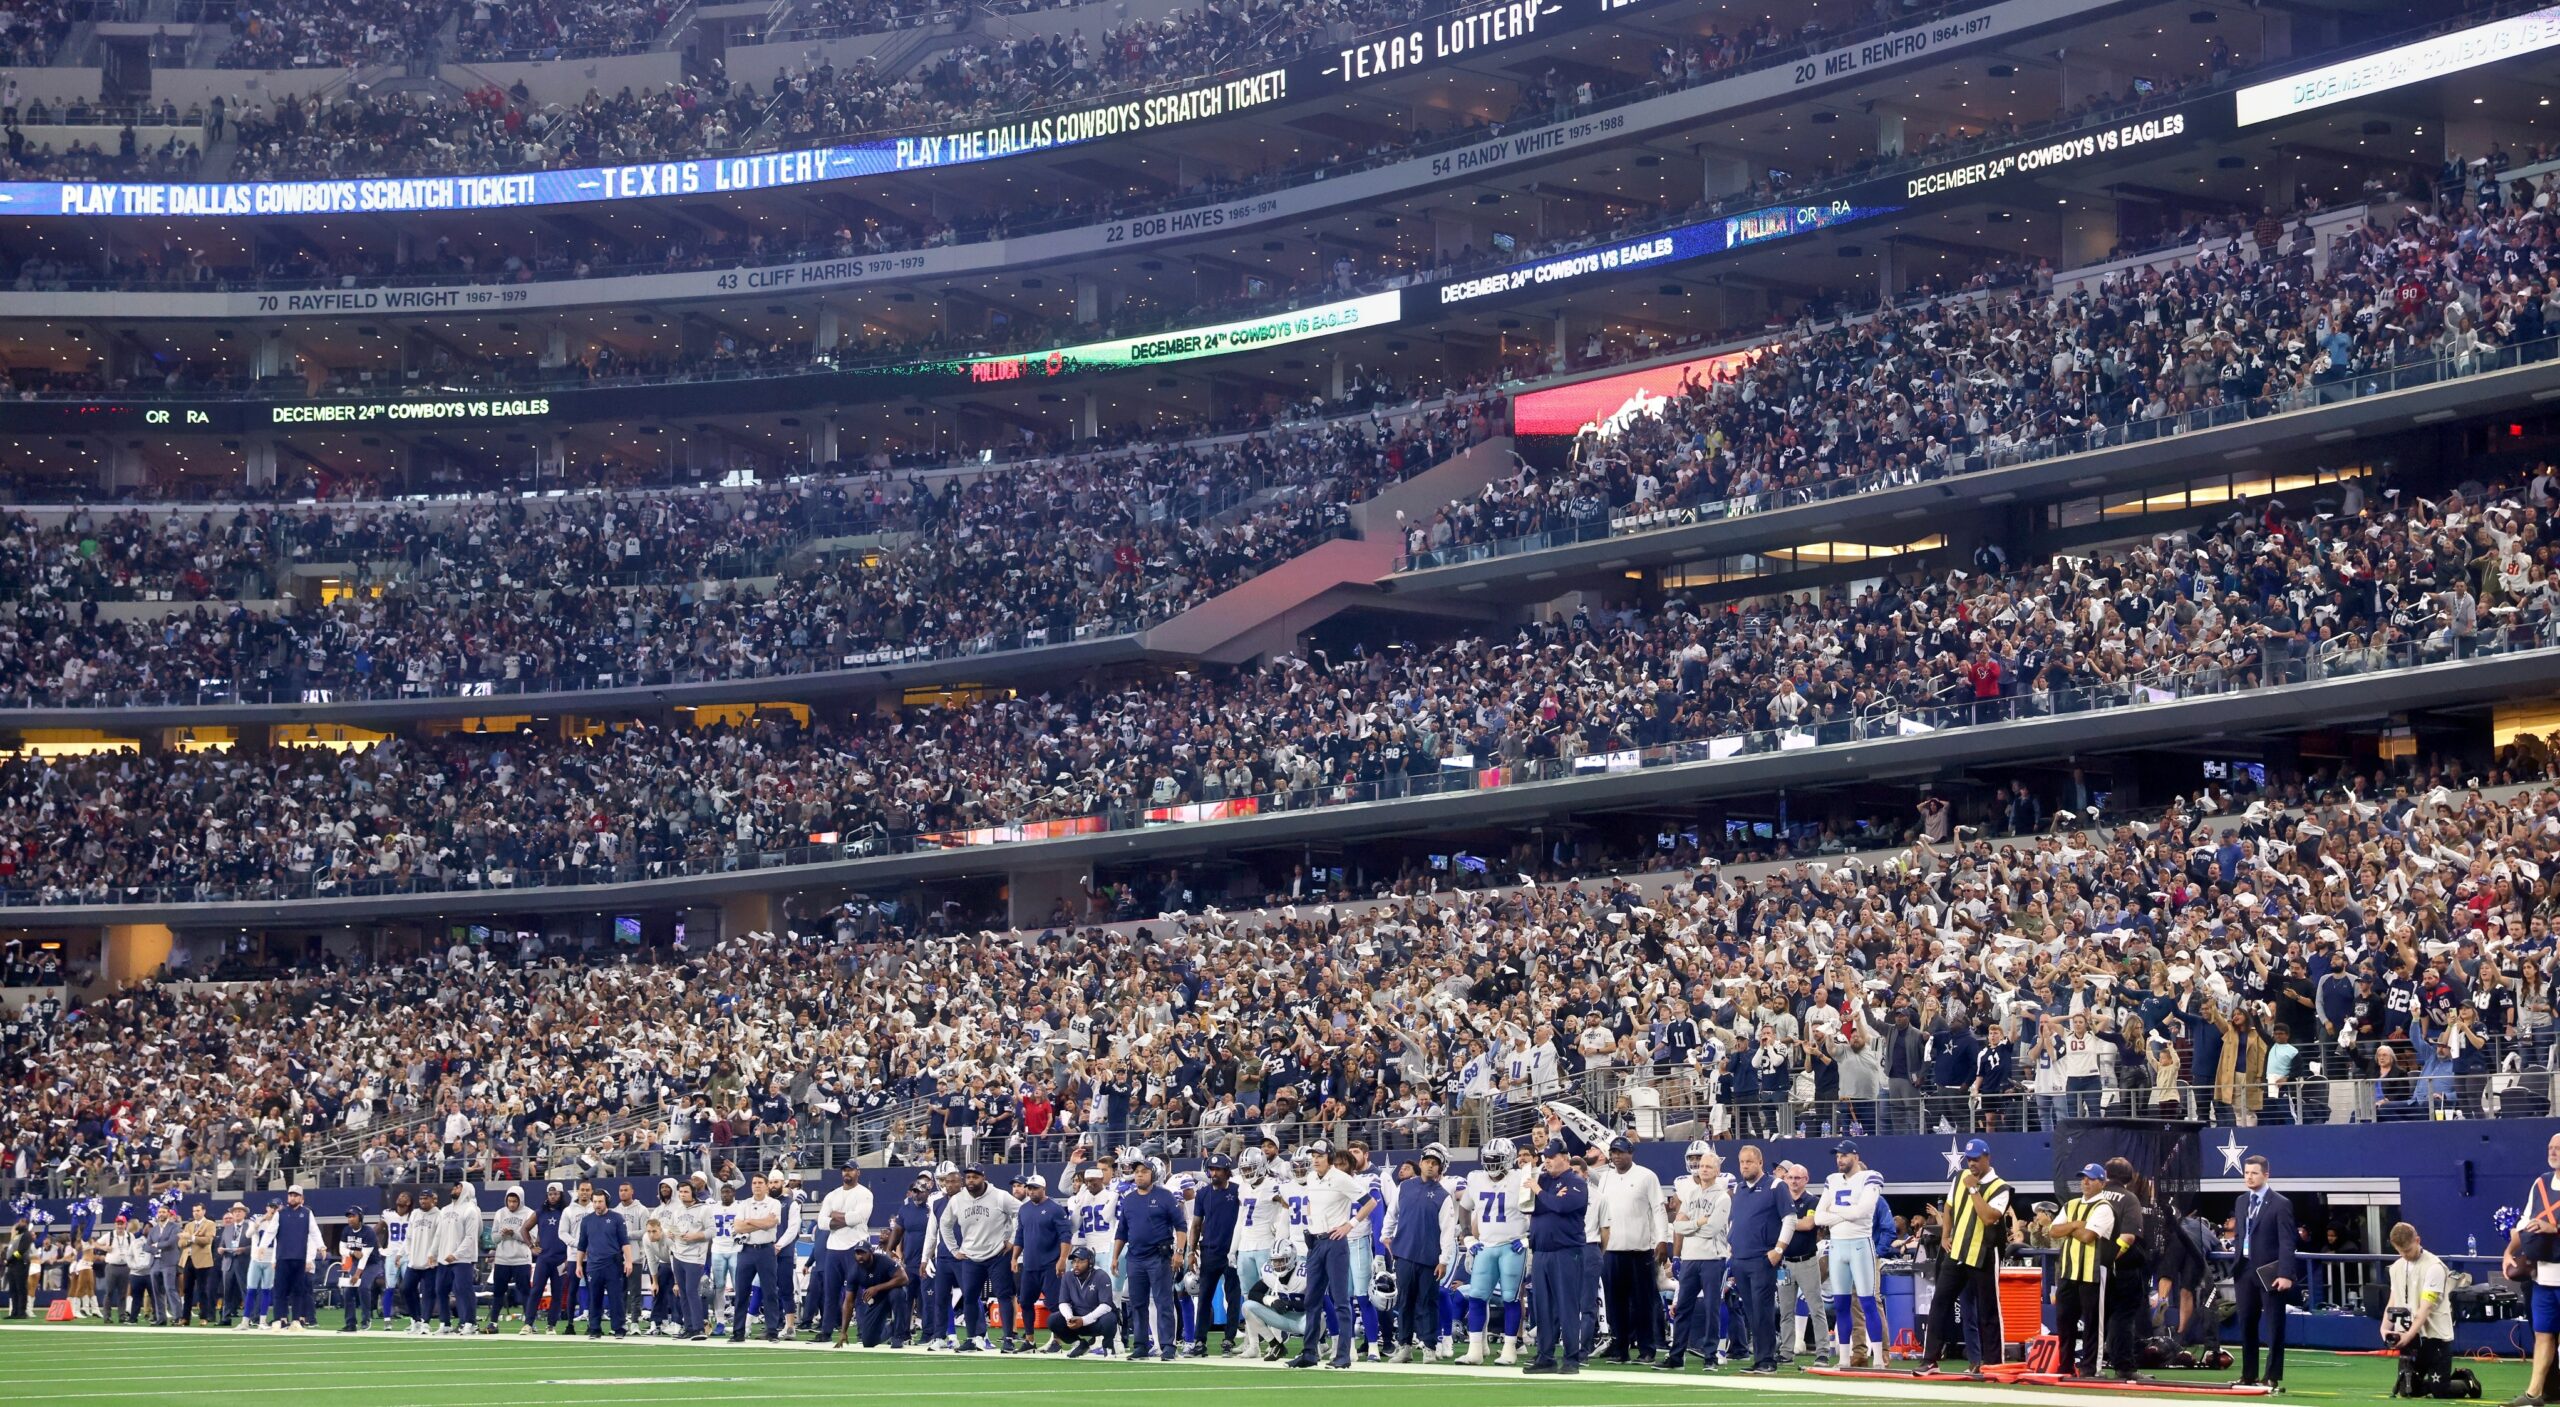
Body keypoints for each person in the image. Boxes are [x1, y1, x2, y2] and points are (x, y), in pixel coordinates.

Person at [1921, 1137, 2010, 1375]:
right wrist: (1945, 1235)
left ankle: (1992, 1363)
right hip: (1957, 1250)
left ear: (1987, 1158)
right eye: (1969, 1159)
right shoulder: (1960, 1177)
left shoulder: (2001, 1187)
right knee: (1940, 1301)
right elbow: (1949, 1206)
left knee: (1988, 1309)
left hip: (1984, 1253)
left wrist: (1973, 1189)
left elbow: (1989, 1217)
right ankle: (1930, 1359)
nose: (1972, 1164)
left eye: (1976, 1160)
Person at [1458, 1136, 1532, 1365]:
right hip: (1486, 1245)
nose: (1490, 1164)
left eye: (1496, 1159)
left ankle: (1510, 1348)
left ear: (1508, 1159)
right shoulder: (1476, 1178)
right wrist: (1467, 1235)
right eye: (1488, 1159)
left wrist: (1529, 1238)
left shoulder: (1521, 1178)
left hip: (1512, 1245)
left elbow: (1536, 1210)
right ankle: (1475, 1350)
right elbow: (1464, 1207)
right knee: (1477, 1297)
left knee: (1511, 1297)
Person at [1816, 1140, 1889, 1367]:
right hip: (1838, 1245)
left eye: (1845, 1155)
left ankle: (1878, 1357)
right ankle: (1846, 1358)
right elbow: (1819, 1218)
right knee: (1841, 1304)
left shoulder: (1870, 1177)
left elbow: (1862, 1211)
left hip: (1860, 1244)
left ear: (1856, 1156)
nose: (1840, 1159)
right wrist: (1847, 1213)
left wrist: (1835, 1211)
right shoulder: (1832, 1179)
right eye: (1838, 1155)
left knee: (1868, 1302)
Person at [1291, 1145, 1365, 1369]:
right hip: (1316, 1242)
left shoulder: (1341, 1178)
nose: (1315, 1160)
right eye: (1313, 1156)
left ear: (1330, 1157)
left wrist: (1349, 1225)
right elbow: (1313, 1203)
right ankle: (1309, 1353)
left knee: (1340, 1300)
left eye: (1320, 1156)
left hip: (1335, 1242)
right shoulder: (1312, 1178)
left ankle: (1343, 1355)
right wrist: (1312, 1223)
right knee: (1312, 1299)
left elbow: (1370, 1201)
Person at [1661, 1140, 1729, 1371]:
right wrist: (1699, 1222)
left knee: (1711, 1308)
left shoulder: (1723, 1196)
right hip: (1690, 1258)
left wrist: (1692, 1224)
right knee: (1682, 1308)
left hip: (1713, 1258)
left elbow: (1713, 1229)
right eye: (1702, 1165)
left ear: (1717, 1170)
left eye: (1709, 1166)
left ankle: (1710, 1356)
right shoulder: (1689, 1193)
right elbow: (1677, 1227)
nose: (1704, 1168)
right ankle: (1676, 1356)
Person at [1523, 1138, 1589, 1375]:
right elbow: (1528, 1206)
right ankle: (1545, 1356)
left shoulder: (1575, 1181)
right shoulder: (1542, 1180)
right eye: (1545, 1157)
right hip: (1541, 1251)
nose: (1547, 1161)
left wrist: (1541, 1193)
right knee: (1543, 1307)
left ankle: (1571, 1358)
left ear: (1565, 1157)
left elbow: (1562, 1206)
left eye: (1552, 1156)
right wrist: (1544, 1196)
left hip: (1566, 1251)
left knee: (1567, 1306)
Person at [2233, 1153, 2299, 1390]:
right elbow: (2240, 1233)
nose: (2249, 1177)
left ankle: (2271, 1375)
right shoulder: (2241, 1201)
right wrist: (2237, 1257)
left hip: (2270, 1272)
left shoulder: (2281, 1203)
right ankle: (2248, 1374)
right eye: (2246, 1173)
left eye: (2254, 1173)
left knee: (2273, 1325)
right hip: (2245, 1270)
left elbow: (2287, 1242)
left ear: (2266, 1175)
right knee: (2246, 1323)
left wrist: (2285, 1273)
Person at [2505, 1129, 2560, 1407]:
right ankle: (2533, 1395)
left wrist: (2554, 1228)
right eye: (2550, 1147)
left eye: (2558, 1148)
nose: (2552, 1151)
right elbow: (2523, 1224)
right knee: (2543, 1335)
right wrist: (2508, 1252)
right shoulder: (2540, 1184)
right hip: (2544, 1277)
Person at [1384, 1144, 1452, 1362]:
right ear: (1420, 1163)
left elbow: (1448, 1231)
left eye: (1435, 1164)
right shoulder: (1404, 1187)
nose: (1430, 1166)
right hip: (1404, 1253)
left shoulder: (1444, 1196)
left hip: (1429, 1259)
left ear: (1440, 1169)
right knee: (1404, 1302)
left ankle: (1429, 1346)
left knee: (1427, 1303)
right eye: (1427, 1162)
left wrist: (1443, 1260)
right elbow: (1391, 1214)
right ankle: (1404, 1346)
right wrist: (1385, 1235)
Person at [1727, 1144, 1789, 1374]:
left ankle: (1767, 1361)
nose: (1744, 1166)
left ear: (1760, 1162)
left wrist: (1779, 1250)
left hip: (1763, 1258)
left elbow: (1790, 1219)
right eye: (1742, 1162)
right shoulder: (1740, 1189)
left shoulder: (1775, 1185)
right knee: (1751, 1311)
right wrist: (1730, 1245)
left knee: (1762, 1310)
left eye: (1749, 1162)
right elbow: (1734, 1222)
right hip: (1741, 1258)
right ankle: (1760, 1358)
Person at [947, 1164, 1022, 1352]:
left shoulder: (999, 1195)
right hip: (971, 1256)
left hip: (998, 1254)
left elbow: (1022, 1212)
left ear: (983, 1177)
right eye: (968, 1177)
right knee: (970, 1298)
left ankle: (1008, 1339)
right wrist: (954, 1249)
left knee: (1004, 1296)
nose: (971, 1180)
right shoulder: (957, 1200)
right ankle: (972, 1339)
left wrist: (1012, 1240)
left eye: (975, 1176)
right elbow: (945, 1224)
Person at [1120, 1158, 1187, 1361]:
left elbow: (1181, 1226)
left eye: (1144, 1171)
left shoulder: (1165, 1196)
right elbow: (1121, 1231)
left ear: (1154, 1174)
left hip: (1159, 1256)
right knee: (1137, 1303)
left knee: (1163, 1302)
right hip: (1135, 1257)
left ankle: (1168, 1345)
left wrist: (1179, 1252)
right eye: (1137, 1171)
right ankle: (1141, 1344)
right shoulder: (1129, 1199)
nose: (1139, 1174)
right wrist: (1115, 1257)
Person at [2049, 1164, 2112, 1378]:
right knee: (2064, 1322)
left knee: (2092, 1323)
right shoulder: (2071, 1204)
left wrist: (2069, 1229)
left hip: (2091, 1273)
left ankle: (2090, 1368)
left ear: (2102, 1183)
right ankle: (2065, 1366)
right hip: (2068, 1272)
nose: (2085, 1182)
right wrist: (2076, 1224)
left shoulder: (2104, 1207)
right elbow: (2053, 1231)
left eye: (2091, 1179)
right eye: (2083, 1178)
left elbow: (2088, 1237)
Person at [2384, 1222, 2457, 1396]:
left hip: (2435, 1336)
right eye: (2399, 1251)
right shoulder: (2395, 1268)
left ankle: (2464, 1380)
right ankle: (2428, 1384)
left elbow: (2426, 1309)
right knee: (2407, 1390)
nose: (2404, 1255)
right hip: (2410, 1335)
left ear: (2418, 1240)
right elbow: (2393, 1300)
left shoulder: (2434, 1268)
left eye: (2408, 1250)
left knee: (2441, 1391)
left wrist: (2407, 1335)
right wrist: (2384, 1329)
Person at [1780, 1160, 1833, 1361]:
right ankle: (1786, 1351)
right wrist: (1795, 1223)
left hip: (1807, 1261)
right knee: (1786, 1309)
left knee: (1815, 1307)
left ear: (1806, 1180)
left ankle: (1822, 1352)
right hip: (1784, 1263)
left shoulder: (1812, 1201)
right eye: (1790, 1177)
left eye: (1797, 1178)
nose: (1793, 1181)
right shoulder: (1781, 1199)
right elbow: (1797, 1224)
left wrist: (1784, 1222)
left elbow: (1809, 1224)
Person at [1190, 1155, 1243, 1356]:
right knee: (1204, 1298)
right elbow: (1196, 1223)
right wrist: (1190, 1251)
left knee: (1233, 1296)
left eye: (1218, 1169)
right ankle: (1199, 1341)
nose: (1214, 1173)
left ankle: (1229, 1338)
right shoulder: (1203, 1193)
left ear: (1227, 1170)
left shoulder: (1237, 1191)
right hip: (1209, 1250)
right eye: (1211, 1169)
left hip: (1230, 1251)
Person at [1014, 1172, 1070, 1355]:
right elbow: (1019, 1236)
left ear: (1043, 1189)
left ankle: (1057, 1341)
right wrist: (1015, 1258)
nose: (1031, 1192)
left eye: (1035, 1188)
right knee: (1025, 1302)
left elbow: (1065, 1236)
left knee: (1054, 1304)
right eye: (1029, 1188)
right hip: (1030, 1265)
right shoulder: (1024, 1209)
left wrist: (1062, 1260)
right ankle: (1029, 1340)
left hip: (1050, 1264)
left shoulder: (1055, 1208)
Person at [815, 1166, 873, 1343]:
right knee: (830, 1293)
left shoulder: (864, 1193)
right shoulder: (832, 1195)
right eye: (845, 1170)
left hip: (856, 1247)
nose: (847, 1173)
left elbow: (860, 1218)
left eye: (851, 1170)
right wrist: (846, 1219)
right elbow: (821, 1223)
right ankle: (826, 1331)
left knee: (860, 1293)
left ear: (858, 1172)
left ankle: (864, 1332)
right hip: (834, 1248)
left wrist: (836, 1217)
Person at [728, 1174, 784, 1342]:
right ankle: (738, 1332)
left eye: (760, 1183)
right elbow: (737, 1226)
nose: (757, 1186)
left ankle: (772, 1331)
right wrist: (760, 1223)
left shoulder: (774, 1203)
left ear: (766, 1186)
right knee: (741, 1291)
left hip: (766, 1250)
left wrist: (750, 1221)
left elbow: (770, 1224)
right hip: (746, 1250)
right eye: (754, 1183)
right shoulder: (744, 1203)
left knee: (770, 1291)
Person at [1239, 1242, 1310, 1361]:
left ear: (1291, 1259)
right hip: (1283, 1319)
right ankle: (1275, 1345)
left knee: (1320, 1316)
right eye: (1275, 1261)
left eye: (1281, 1260)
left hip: (1303, 1320)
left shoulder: (1304, 1272)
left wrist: (1288, 1304)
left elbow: (1314, 1302)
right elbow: (1253, 1293)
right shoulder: (1270, 1273)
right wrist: (1271, 1300)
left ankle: (1311, 1349)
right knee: (1247, 1306)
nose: (1277, 1265)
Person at [578, 1188, 634, 1338]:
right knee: (594, 1298)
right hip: (593, 1265)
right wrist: (578, 1264)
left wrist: (628, 1261)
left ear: (606, 1201)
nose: (597, 1204)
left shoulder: (617, 1218)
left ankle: (619, 1328)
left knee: (616, 1298)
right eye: (595, 1201)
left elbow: (625, 1242)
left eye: (600, 1201)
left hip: (613, 1264)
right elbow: (581, 1245)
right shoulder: (586, 1220)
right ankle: (595, 1328)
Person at [1051, 1244, 1120, 1357]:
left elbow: (1106, 1306)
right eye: (1074, 1261)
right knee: (1053, 1320)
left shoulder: (1101, 1276)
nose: (1076, 1265)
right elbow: (1063, 1303)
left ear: (1090, 1262)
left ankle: (1108, 1346)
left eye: (1081, 1261)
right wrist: (1069, 1318)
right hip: (1076, 1319)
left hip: (1096, 1320)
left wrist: (1084, 1320)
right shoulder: (1068, 1277)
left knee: (1110, 1318)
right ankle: (1079, 1344)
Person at [838, 1237, 907, 1348]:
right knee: (868, 1342)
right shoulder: (854, 1271)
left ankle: (899, 1336)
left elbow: (904, 1278)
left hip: (891, 1292)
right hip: (876, 1300)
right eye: (857, 1253)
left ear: (871, 1252)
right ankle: (891, 1328)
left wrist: (877, 1288)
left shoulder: (884, 1260)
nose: (860, 1256)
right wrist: (843, 1331)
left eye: (863, 1253)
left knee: (897, 1293)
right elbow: (849, 1302)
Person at [272, 1186, 325, 1330]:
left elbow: (315, 1231)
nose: (292, 1198)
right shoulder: (280, 1213)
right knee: (280, 1290)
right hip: (283, 1257)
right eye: (290, 1195)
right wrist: (265, 1250)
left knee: (298, 1290)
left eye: (296, 1195)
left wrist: (322, 1246)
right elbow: (271, 1233)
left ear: (301, 1198)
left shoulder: (307, 1213)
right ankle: (279, 1319)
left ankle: (296, 1320)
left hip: (299, 1257)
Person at [530, 1183, 576, 1336]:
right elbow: (524, 1228)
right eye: (550, 1194)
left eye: (556, 1194)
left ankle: (551, 1325)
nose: (553, 1197)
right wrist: (531, 1246)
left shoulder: (567, 1212)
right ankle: (528, 1323)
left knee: (557, 1293)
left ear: (561, 1195)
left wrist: (569, 1257)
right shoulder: (540, 1211)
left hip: (561, 1259)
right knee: (536, 1290)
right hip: (544, 1259)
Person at [488, 1186, 535, 1331]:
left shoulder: (529, 1213)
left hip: (521, 1259)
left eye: (515, 1201)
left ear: (520, 1200)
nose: (512, 1204)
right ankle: (493, 1322)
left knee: (525, 1291)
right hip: (502, 1259)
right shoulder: (500, 1213)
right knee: (498, 1292)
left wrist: (513, 1233)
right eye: (510, 1201)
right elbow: (493, 1238)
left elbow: (532, 1238)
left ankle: (529, 1324)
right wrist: (503, 1234)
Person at [336, 1209, 379, 1332]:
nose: (350, 1219)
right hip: (356, 1262)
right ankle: (350, 1323)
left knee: (363, 1287)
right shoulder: (346, 1230)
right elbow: (342, 1250)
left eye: (353, 1216)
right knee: (349, 1291)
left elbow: (364, 1257)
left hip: (372, 1263)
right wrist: (352, 1252)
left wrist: (357, 1275)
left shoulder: (369, 1232)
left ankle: (366, 1320)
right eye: (348, 1217)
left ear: (360, 1217)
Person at [179, 1204, 216, 1325]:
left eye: (198, 1210)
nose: (195, 1213)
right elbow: (181, 1243)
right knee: (187, 1290)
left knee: (202, 1289)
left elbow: (207, 1240)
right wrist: (192, 1239)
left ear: (203, 1211)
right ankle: (185, 1317)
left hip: (203, 1260)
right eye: (194, 1210)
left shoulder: (210, 1224)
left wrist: (191, 1238)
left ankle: (204, 1317)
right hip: (188, 1259)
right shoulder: (189, 1225)